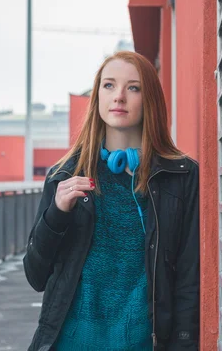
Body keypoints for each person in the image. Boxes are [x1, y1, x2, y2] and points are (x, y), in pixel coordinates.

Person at [23, 51, 200, 351]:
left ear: (150, 100)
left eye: (133, 87)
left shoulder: (180, 176)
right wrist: (56, 214)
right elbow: (36, 275)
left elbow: (188, 277)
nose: (118, 96)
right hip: (70, 343)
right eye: (108, 85)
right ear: (97, 98)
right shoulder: (64, 175)